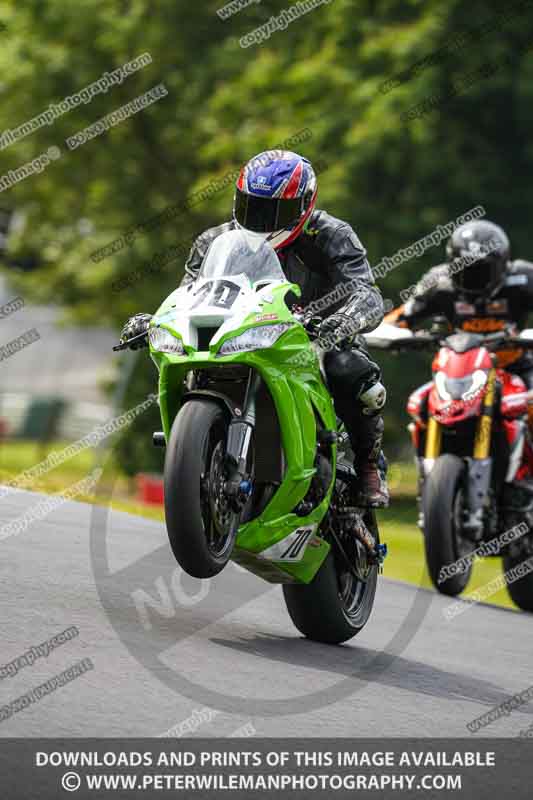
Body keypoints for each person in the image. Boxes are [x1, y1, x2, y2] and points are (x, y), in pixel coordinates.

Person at [120, 150, 389, 506]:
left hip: (317, 338)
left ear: (304, 205)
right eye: (252, 206)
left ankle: (370, 465)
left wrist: (341, 322)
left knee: (350, 371)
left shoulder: (332, 235)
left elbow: (367, 293)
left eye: (274, 211)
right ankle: (199, 453)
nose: (261, 220)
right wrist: (154, 320)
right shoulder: (213, 241)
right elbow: (188, 295)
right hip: (244, 335)